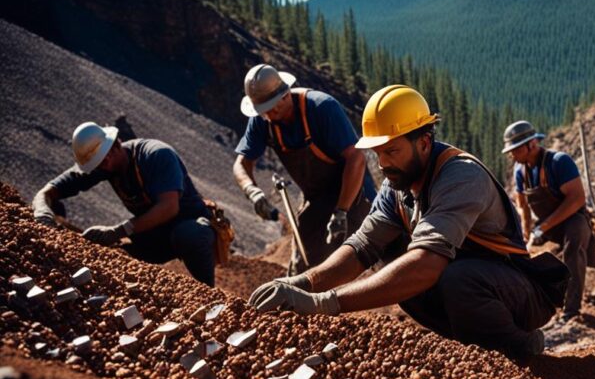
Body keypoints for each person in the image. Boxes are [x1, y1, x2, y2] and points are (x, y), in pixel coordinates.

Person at [248, 86, 566, 359]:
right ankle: (470, 341)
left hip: (521, 292)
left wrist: (323, 304)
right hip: (476, 284)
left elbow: (426, 265)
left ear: (424, 142)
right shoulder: (397, 185)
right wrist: (301, 284)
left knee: (446, 276)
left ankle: (521, 346)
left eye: (391, 151)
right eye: (377, 153)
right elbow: (362, 247)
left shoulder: (460, 176)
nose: (383, 164)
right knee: (397, 268)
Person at [232, 64, 376, 273]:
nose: (268, 116)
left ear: (285, 94)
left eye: (272, 108)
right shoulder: (262, 120)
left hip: (354, 191)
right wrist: (252, 191)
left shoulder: (321, 108)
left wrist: (341, 211)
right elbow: (241, 165)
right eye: (263, 111)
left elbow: (356, 159)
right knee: (303, 264)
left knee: (372, 250)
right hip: (316, 196)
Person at [33, 122, 216, 285]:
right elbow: (53, 189)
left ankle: (209, 294)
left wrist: (117, 231)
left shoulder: (156, 155)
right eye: (96, 165)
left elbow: (169, 207)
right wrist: (42, 206)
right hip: (155, 233)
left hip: (192, 226)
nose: (100, 168)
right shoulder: (106, 164)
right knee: (113, 250)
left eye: (102, 162)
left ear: (115, 146)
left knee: (187, 234)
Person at [505, 120, 595, 322]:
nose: (511, 154)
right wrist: (526, 232)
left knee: (573, 247)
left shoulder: (559, 162)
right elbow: (522, 205)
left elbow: (577, 199)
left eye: (515, 149)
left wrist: (543, 227)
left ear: (531, 145)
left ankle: (571, 310)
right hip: (547, 224)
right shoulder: (520, 171)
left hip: (574, 220)